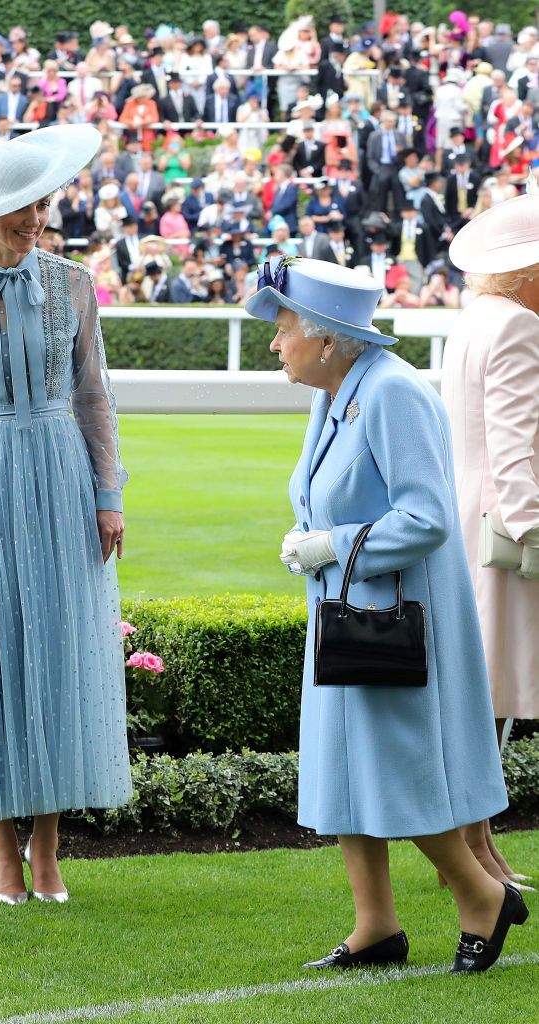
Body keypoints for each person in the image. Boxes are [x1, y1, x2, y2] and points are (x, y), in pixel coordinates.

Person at [245, 254, 528, 973]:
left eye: (282, 329)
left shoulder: (391, 392)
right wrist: (311, 543)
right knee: (344, 771)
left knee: (391, 771)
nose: (274, 343)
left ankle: (481, 893)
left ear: (326, 337)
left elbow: (425, 518)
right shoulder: (340, 390)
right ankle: (375, 925)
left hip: (393, 619)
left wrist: (329, 545)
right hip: (350, 611)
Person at [0, 125, 132, 905]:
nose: (34, 218)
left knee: (59, 649)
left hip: (61, 475)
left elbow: (93, 397)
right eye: (20, 207)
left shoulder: (72, 283)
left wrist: (107, 497)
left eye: (40, 203)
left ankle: (48, 846)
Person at [441, 185, 539, 888]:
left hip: (467, 517)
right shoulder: (515, 327)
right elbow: (513, 446)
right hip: (501, 531)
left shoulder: (475, 317)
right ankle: (471, 852)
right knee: (486, 700)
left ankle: (476, 849)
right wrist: (532, 530)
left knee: (479, 697)